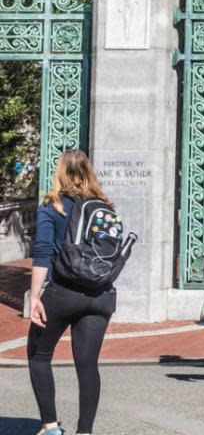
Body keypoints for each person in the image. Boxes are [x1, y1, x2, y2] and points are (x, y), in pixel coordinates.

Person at [27, 150, 119, 435]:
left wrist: (34, 297)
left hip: (63, 292)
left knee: (39, 355)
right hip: (100, 294)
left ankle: (51, 426)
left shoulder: (52, 205)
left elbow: (42, 253)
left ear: (60, 173)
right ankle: (85, 431)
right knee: (88, 364)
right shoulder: (104, 206)